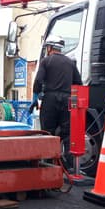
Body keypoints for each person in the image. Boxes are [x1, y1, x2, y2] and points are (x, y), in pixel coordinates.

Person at [31, 35, 82, 169]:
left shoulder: (46, 61)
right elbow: (78, 83)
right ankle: (69, 166)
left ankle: (48, 164)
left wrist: (35, 96)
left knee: (48, 132)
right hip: (67, 100)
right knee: (67, 133)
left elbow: (38, 81)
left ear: (49, 48)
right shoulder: (70, 63)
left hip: (50, 99)